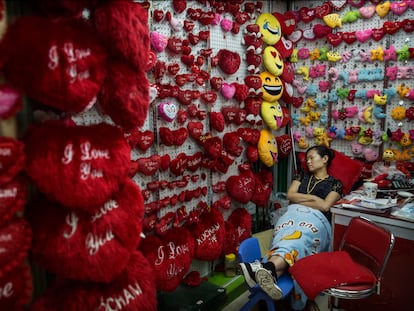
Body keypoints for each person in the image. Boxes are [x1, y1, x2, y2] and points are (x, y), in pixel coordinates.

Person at [240, 145, 343, 310]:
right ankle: (270, 271)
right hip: (291, 216)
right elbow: (290, 196)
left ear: (325, 159)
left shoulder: (335, 184)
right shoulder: (301, 175)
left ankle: (265, 268)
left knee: (300, 239)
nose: (308, 161)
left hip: (316, 221)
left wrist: (301, 198)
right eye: (306, 158)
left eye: (312, 157)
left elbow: (325, 206)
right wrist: (313, 199)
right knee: (286, 239)